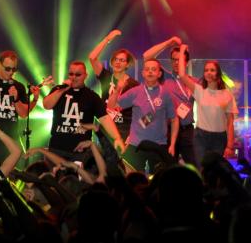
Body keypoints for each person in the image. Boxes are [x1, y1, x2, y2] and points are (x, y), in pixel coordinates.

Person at [42, 60, 125, 162]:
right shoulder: (59, 90)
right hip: (57, 149)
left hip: (80, 152)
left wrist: (117, 138)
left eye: (78, 75)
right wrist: (63, 89)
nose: (73, 77)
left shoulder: (92, 96)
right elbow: (46, 105)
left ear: (86, 76)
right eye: (71, 74)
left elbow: (104, 118)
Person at [108, 58, 178, 173]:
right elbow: (111, 106)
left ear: (159, 74)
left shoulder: (166, 93)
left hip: (158, 144)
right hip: (136, 144)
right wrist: (118, 89)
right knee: (130, 177)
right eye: (147, 69)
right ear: (143, 73)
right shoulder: (135, 91)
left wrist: (173, 144)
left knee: (159, 179)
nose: (150, 72)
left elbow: (174, 120)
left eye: (153, 69)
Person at [175, 45, 238, 167]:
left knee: (215, 169)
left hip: (219, 138)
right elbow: (182, 75)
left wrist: (230, 145)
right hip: (201, 137)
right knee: (202, 167)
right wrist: (182, 51)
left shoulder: (227, 94)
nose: (209, 72)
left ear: (218, 73)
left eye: (212, 70)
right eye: (206, 70)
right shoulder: (199, 90)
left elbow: (230, 122)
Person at [143, 36, 197, 165]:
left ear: (186, 62)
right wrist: (168, 43)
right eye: (173, 60)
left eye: (180, 59)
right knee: (169, 165)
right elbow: (147, 57)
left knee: (193, 165)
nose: (176, 63)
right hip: (168, 129)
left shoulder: (194, 82)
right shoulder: (164, 77)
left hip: (187, 130)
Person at [88, 30, 140, 163]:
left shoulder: (134, 85)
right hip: (105, 127)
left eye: (122, 60)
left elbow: (139, 112)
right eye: (116, 59)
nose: (118, 62)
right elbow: (92, 58)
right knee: (103, 163)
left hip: (123, 130)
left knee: (122, 165)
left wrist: (133, 135)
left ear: (127, 64)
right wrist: (107, 39)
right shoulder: (106, 76)